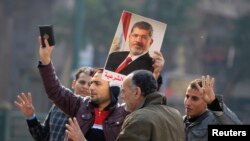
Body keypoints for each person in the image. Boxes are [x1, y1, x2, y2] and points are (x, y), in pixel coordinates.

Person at [37, 37, 129, 141]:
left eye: (97, 84)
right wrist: (45, 59)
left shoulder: (125, 116)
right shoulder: (79, 105)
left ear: (112, 90)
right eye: (92, 83)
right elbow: (55, 91)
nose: (91, 87)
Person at [64, 70, 185, 141]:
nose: (121, 96)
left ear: (137, 92)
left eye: (124, 91)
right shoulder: (175, 115)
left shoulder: (138, 118)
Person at [14, 66, 95, 141]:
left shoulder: (94, 113)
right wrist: (30, 117)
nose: (85, 87)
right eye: (82, 82)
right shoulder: (57, 106)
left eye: (90, 84)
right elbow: (43, 137)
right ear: (73, 84)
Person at [183, 75, 242, 141]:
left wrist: (214, 103)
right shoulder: (178, 122)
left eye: (194, 99)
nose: (188, 103)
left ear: (206, 101)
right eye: (187, 96)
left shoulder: (214, 122)